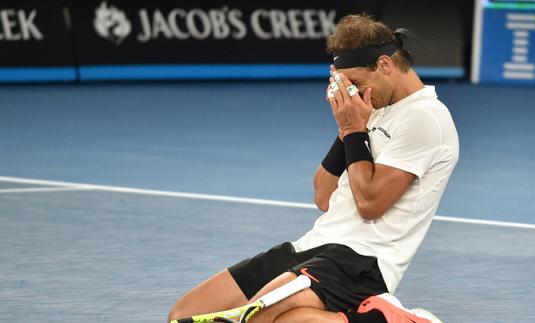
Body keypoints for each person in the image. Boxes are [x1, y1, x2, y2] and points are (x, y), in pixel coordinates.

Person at [168, 14, 459, 323]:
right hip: (311, 247)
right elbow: (323, 195)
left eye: (357, 83)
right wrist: (346, 130)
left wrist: (354, 130)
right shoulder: (369, 109)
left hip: (361, 260)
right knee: (183, 316)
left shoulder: (426, 118)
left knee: (254, 319)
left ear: (385, 65)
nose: (353, 95)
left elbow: (371, 205)